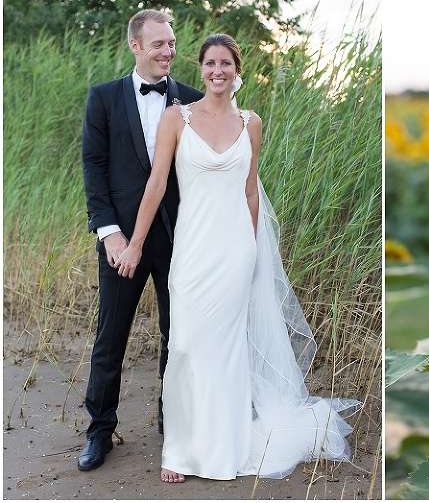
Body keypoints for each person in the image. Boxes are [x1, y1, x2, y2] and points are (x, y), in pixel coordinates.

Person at [115, 33, 359, 483]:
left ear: (236, 69)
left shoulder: (252, 123)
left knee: (227, 352)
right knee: (187, 346)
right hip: (192, 251)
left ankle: (224, 447)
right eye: (209, 63)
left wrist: (252, 253)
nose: (217, 70)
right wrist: (134, 242)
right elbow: (155, 186)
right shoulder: (177, 118)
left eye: (225, 62)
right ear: (201, 68)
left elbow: (250, 193)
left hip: (235, 252)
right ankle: (182, 450)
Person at [80, 9, 204, 472]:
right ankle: (99, 432)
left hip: (180, 241)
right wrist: (110, 234)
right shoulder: (104, 98)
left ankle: (171, 421)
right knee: (110, 338)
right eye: (159, 44)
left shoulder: (192, 101)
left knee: (179, 337)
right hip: (122, 242)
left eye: (171, 43)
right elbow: (93, 168)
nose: (168, 51)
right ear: (136, 45)